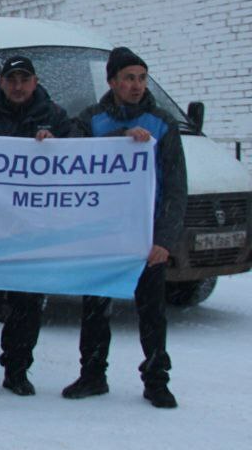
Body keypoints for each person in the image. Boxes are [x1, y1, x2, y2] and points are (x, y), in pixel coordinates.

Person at [63, 47, 187, 408]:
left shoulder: (162, 123)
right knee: (95, 307)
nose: (136, 85)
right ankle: (92, 375)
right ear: (113, 81)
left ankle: (156, 380)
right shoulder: (92, 119)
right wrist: (118, 138)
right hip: (102, 234)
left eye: (142, 78)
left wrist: (164, 239)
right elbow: (70, 153)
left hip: (146, 236)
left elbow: (176, 186)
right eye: (129, 78)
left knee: (151, 312)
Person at [0, 55, 72, 396]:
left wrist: (58, 144)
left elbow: (80, 153)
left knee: (26, 308)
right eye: (11, 80)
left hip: (31, 233)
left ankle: (17, 371)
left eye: (24, 79)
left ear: (34, 82)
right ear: (1, 83)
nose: (18, 87)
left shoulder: (55, 116)